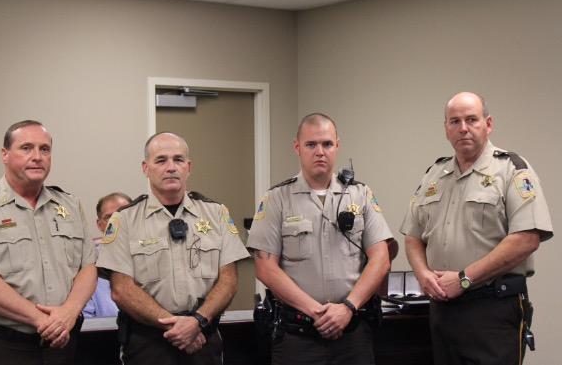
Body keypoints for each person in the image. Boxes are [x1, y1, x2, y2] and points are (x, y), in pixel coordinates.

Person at [400, 92, 553, 365]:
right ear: (446, 129)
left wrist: (464, 279)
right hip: (443, 312)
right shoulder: (433, 175)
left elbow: (527, 238)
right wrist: (422, 274)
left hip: (492, 309)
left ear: (488, 124)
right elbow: (413, 236)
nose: (463, 128)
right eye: (455, 121)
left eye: (472, 119)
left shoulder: (512, 169)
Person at [247, 113, 392, 365]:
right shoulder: (277, 199)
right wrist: (318, 313)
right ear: (297, 147)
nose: (320, 152)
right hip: (298, 337)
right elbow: (265, 268)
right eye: (311, 145)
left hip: (353, 335)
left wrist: (347, 307)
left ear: (337, 145)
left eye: (327, 144)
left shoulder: (360, 194)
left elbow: (381, 258)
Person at [96, 132, 250, 365]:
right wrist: (176, 327)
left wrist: (197, 321)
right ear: (145, 168)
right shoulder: (124, 220)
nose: (171, 167)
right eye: (161, 160)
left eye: (178, 160)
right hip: (149, 343)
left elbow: (229, 280)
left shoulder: (216, 213)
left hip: (203, 338)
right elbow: (122, 289)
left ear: (188, 167)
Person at [0, 120, 97, 365]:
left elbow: (88, 268)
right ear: (5, 154)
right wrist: (44, 322)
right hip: (8, 347)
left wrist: (68, 314)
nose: (37, 157)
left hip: (65, 344)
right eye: (26, 148)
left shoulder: (70, 205)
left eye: (45, 149)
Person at [82, 192, 132, 318]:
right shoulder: (88, 261)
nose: (116, 221)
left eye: (123, 214)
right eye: (109, 217)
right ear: (99, 225)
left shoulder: (153, 255)